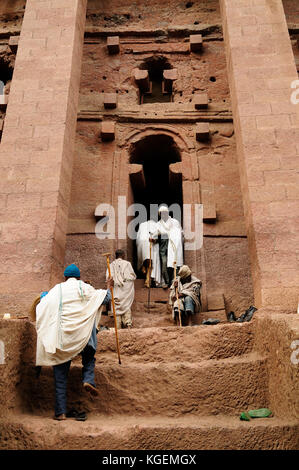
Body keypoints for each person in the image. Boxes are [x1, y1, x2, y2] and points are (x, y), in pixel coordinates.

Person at [35, 263, 114, 421]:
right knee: (89, 357)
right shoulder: (85, 288)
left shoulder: (57, 290)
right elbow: (106, 298)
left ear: (65, 278)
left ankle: (60, 412)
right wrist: (109, 286)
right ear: (79, 277)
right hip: (83, 338)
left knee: (60, 373)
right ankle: (88, 379)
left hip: (62, 340)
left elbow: (42, 301)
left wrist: (44, 294)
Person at [107, 249, 136, 329]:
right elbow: (132, 277)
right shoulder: (127, 264)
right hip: (125, 292)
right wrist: (125, 285)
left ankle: (118, 327)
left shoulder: (110, 265)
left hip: (116, 291)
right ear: (123, 255)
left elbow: (108, 279)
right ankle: (128, 324)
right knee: (126, 306)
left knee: (116, 308)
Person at [155, 205, 184, 288]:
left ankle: (174, 281)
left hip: (174, 245)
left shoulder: (175, 222)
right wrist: (159, 234)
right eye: (162, 213)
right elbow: (155, 235)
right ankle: (166, 282)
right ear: (160, 214)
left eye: (165, 213)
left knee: (174, 263)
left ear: (167, 213)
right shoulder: (158, 224)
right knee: (164, 264)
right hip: (163, 246)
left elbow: (180, 232)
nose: (164, 215)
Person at [136, 219, 162, 287]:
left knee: (149, 262)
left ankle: (148, 280)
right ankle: (148, 280)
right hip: (149, 247)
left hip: (146, 246)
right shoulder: (156, 225)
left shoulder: (143, 225)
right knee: (150, 262)